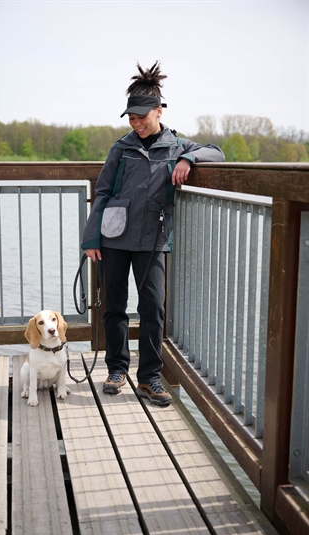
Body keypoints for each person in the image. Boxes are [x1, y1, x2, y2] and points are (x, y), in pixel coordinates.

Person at [82, 61, 225, 406]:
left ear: (158, 111)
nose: (136, 123)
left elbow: (217, 153)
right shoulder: (121, 148)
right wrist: (91, 239)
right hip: (114, 238)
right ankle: (117, 369)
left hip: (153, 241)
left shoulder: (177, 145)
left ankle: (148, 378)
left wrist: (188, 159)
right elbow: (102, 192)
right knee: (114, 307)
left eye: (142, 117)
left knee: (153, 310)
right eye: (131, 118)